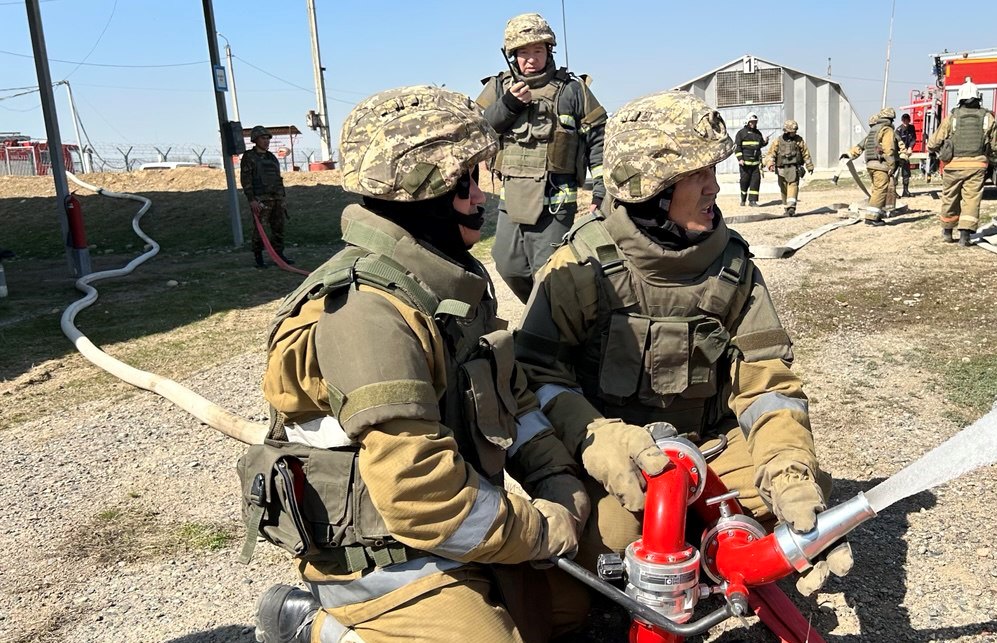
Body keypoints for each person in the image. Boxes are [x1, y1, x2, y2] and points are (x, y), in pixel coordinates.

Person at [246, 86, 594, 643]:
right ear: (423, 194)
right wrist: (538, 531)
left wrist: (556, 477)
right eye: (465, 182)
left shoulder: (446, 285)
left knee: (575, 604)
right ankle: (314, 626)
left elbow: (514, 401)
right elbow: (421, 498)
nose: (481, 196)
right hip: (381, 562)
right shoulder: (368, 314)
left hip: (454, 533)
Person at [514, 90, 852, 599]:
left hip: (711, 448)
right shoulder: (580, 268)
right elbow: (534, 376)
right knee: (608, 541)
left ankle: (713, 532)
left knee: (798, 496)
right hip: (622, 463)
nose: (714, 186)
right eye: (697, 174)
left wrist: (787, 468)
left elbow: (767, 385)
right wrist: (596, 439)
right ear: (650, 188)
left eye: (713, 170)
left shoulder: (733, 269)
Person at [476, 13, 607, 303]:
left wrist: (601, 191)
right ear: (512, 56)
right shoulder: (498, 88)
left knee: (548, 273)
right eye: (523, 52)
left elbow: (598, 139)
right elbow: (476, 130)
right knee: (508, 267)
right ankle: (545, 313)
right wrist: (508, 105)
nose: (531, 59)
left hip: (555, 201)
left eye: (538, 50)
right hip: (511, 201)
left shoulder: (573, 90)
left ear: (549, 51)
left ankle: (549, 321)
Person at [927, 79, 997, 245]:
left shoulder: (952, 117)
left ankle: (947, 232)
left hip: (953, 165)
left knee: (950, 197)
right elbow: (994, 145)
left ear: (960, 98)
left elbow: (933, 142)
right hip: (977, 166)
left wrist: (936, 151)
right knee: (971, 199)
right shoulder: (988, 118)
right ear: (978, 97)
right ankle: (965, 236)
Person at [240, 125, 293, 268]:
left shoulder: (271, 157)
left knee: (278, 228)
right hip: (261, 200)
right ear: (255, 139)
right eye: (263, 138)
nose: (266, 141)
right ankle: (258, 257)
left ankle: (279, 255)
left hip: (276, 199)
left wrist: (282, 198)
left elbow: (278, 178)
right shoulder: (249, 157)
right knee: (260, 230)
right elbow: (246, 180)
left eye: (267, 138)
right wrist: (252, 200)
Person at [842, 108, 901, 226]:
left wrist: (849, 154)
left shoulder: (874, 130)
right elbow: (889, 149)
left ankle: (877, 214)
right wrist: (892, 165)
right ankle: (872, 217)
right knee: (880, 190)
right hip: (880, 165)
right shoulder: (887, 130)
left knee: (875, 189)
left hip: (870, 165)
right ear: (891, 119)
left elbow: (861, 146)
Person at [764, 120, 813, 216]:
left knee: (793, 185)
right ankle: (786, 207)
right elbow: (771, 153)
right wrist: (770, 164)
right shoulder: (778, 141)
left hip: (794, 168)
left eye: (795, 131)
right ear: (787, 131)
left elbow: (805, 153)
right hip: (781, 169)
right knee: (783, 188)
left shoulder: (799, 140)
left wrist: (809, 165)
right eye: (793, 131)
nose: (794, 133)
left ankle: (791, 207)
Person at [734, 114, 768, 207]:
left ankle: (752, 201)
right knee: (744, 181)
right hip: (745, 164)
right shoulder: (741, 133)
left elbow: (759, 145)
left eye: (755, 122)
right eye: (751, 122)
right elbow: (737, 147)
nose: (753, 123)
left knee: (755, 181)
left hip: (756, 164)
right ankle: (743, 198)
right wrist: (740, 159)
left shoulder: (758, 133)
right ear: (747, 122)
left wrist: (765, 142)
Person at [896, 113, 916, 197]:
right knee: (895, 172)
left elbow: (913, 139)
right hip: (898, 153)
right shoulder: (898, 130)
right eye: (904, 120)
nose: (905, 121)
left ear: (909, 120)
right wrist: (902, 151)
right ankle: (893, 192)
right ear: (902, 120)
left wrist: (910, 147)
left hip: (906, 153)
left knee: (906, 172)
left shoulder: (911, 128)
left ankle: (905, 191)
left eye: (907, 120)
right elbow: (897, 141)